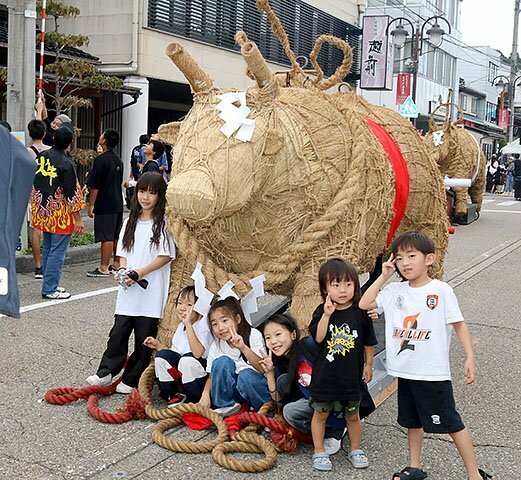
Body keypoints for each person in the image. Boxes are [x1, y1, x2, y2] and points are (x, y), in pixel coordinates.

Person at [359, 231, 491, 480]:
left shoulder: (440, 290)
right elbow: (365, 304)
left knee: (451, 423)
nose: (405, 263)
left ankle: (475, 474)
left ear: (429, 259)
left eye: (412, 256)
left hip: (432, 373)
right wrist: (384, 276)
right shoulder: (395, 290)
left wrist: (470, 357)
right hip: (405, 371)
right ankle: (414, 467)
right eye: (399, 258)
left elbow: (459, 324)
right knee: (412, 421)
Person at [86, 172, 175, 393]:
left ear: (160, 196)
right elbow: (123, 253)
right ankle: (106, 372)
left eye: (152, 193)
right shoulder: (130, 222)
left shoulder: (163, 224)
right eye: (142, 191)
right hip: (129, 288)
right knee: (118, 332)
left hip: (152, 290)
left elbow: (165, 256)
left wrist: (140, 273)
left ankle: (132, 378)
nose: (146, 197)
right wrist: (125, 270)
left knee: (144, 337)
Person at [306, 258, 377, 472]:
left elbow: (368, 341)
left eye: (348, 284)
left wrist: (369, 365)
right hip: (326, 377)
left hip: (351, 377)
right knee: (320, 414)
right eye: (335, 285)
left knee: (353, 415)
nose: (343, 290)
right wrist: (327, 315)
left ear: (355, 285)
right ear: (325, 288)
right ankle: (319, 450)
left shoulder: (360, 311)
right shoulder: (321, 311)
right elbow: (318, 338)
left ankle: (355, 449)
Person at [259, 314, 346, 455]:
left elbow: (326, 338)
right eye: (268, 338)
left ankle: (334, 432)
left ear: (293, 334)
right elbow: (276, 398)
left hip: (333, 399)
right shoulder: (281, 363)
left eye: (278, 334)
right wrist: (269, 372)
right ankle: (317, 427)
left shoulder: (307, 346)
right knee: (282, 381)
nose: (273, 341)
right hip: (313, 401)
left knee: (290, 412)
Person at [31, 124, 85, 299]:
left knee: (48, 247)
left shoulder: (42, 156)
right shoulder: (67, 163)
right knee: (57, 251)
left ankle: (49, 283)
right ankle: (49, 288)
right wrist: (78, 219)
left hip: (43, 209)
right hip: (59, 213)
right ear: (70, 143)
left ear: (53, 139)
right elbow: (72, 193)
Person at [200, 296, 271, 416]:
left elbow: (262, 368)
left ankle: (265, 412)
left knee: (246, 375)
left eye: (224, 321)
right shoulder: (216, 345)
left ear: (237, 319)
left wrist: (243, 347)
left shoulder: (253, 335)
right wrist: (205, 394)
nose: (220, 328)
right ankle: (226, 405)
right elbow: (211, 376)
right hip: (232, 393)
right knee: (222, 362)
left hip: (253, 387)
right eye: (215, 324)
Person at [143, 285, 213, 406]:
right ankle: (172, 395)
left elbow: (198, 353)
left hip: (200, 374)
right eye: (180, 303)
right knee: (161, 357)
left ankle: (194, 398)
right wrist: (158, 345)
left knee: (187, 361)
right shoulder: (181, 327)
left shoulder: (204, 326)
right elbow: (175, 353)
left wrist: (189, 324)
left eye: (189, 305)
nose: (182, 308)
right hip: (182, 372)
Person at [86, 129, 124, 277]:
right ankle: (116, 263)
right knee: (115, 235)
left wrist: (91, 205)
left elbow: (95, 186)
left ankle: (103, 267)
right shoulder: (118, 160)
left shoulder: (100, 160)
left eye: (102, 135)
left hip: (105, 203)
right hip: (117, 202)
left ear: (104, 141)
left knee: (106, 236)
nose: (100, 136)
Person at [26, 119, 51, 279]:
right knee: (49, 230)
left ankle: (38, 266)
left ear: (29, 133)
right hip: (49, 196)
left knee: (36, 230)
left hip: (33, 196)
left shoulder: (26, 152)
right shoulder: (50, 151)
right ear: (44, 133)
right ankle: (48, 264)